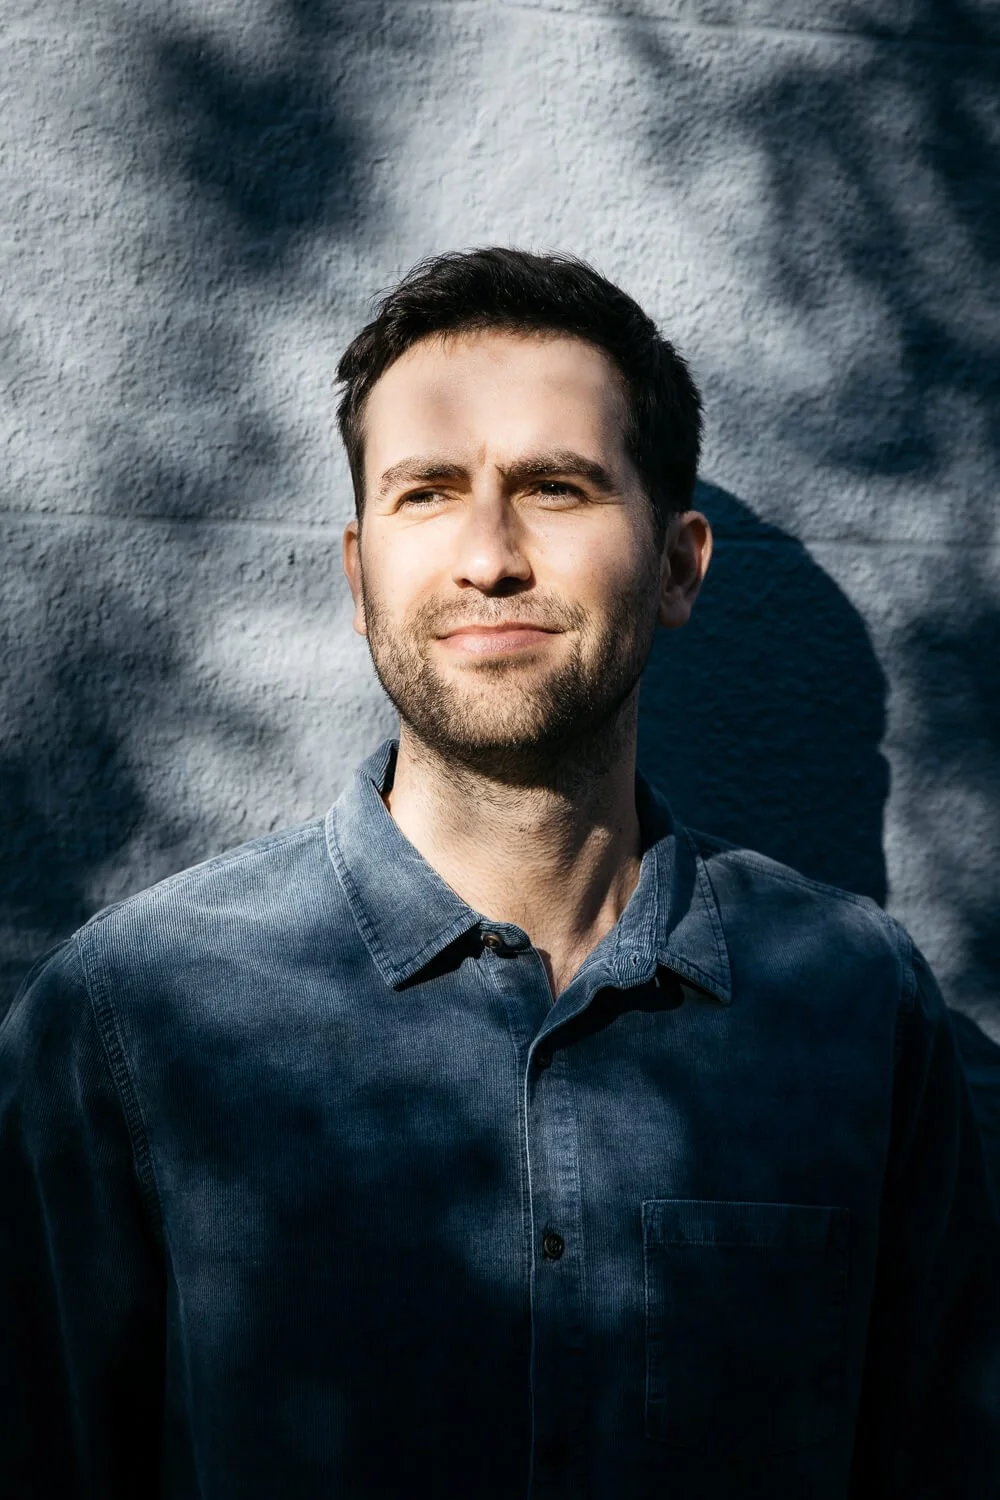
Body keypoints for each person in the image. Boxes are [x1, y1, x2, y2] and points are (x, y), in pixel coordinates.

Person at [1, 248, 997, 1500]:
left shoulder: (855, 1004)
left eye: (556, 488)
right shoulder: (132, 1015)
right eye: (427, 494)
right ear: (359, 575)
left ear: (678, 565)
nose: (488, 557)